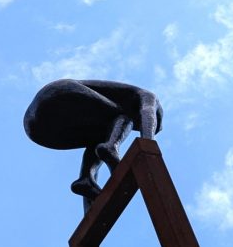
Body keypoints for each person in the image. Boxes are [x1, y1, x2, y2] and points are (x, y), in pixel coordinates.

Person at [24, 79, 162, 208]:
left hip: (35, 128)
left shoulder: (106, 112)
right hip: (59, 93)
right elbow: (148, 113)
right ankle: (111, 148)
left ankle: (86, 180)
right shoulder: (149, 96)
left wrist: (90, 213)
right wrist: (148, 148)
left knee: (102, 133)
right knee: (124, 118)